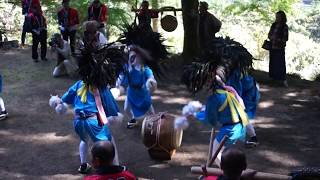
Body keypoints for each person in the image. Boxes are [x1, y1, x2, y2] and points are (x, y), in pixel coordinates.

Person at [49, 36, 126, 174]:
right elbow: (110, 106)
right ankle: (116, 167)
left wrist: (57, 103)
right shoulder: (101, 87)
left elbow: (64, 101)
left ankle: (83, 164)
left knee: (84, 139)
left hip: (78, 122)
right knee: (109, 142)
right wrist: (114, 116)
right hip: (93, 121)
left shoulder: (79, 84)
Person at [268, 11, 289, 87]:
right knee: (272, 63)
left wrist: (277, 39)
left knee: (280, 64)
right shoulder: (274, 25)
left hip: (279, 48)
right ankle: (273, 79)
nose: (277, 18)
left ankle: (283, 80)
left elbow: (285, 38)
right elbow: (269, 34)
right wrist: (271, 37)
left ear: (282, 18)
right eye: (276, 17)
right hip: (272, 47)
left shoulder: (284, 26)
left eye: (278, 17)